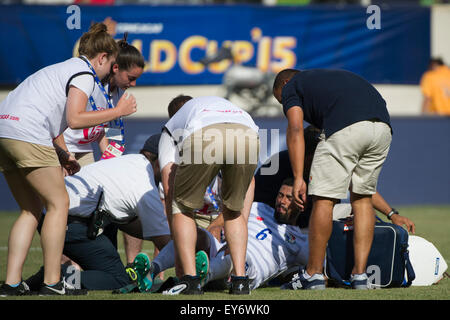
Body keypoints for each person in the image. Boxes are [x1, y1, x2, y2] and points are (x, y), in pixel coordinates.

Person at [0, 22, 137, 296]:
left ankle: (11, 284)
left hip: (4, 130)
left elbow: (52, 117)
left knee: (30, 209)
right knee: (59, 203)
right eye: (110, 64)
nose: (110, 71)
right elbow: (75, 119)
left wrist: (62, 155)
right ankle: (53, 283)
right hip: (27, 132)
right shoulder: (84, 73)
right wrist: (118, 110)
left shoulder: (60, 68)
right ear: (101, 58)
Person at [272, 68, 392, 290]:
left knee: (324, 199)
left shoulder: (292, 85)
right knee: (362, 199)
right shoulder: (326, 80)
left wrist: (299, 177)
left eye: (281, 101)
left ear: (286, 83)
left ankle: (313, 275)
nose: (284, 106)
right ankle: (360, 276)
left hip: (347, 126)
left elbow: (296, 128)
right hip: (383, 127)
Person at [25, 133, 170, 292]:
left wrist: (164, 234)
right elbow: (165, 241)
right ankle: (55, 278)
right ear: (159, 161)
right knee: (117, 279)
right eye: (172, 164)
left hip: (58, 216)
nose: (173, 170)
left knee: (109, 268)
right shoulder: (144, 183)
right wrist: (191, 262)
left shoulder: (129, 163)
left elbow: (127, 223)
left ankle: (47, 277)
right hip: (69, 222)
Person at [158, 95, 259, 294]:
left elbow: (170, 193)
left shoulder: (170, 128)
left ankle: (190, 281)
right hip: (248, 132)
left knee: (181, 206)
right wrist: (240, 227)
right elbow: (249, 185)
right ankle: (240, 281)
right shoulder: (211, 105)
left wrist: (180, 259)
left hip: (205, 133)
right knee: (233, 210)